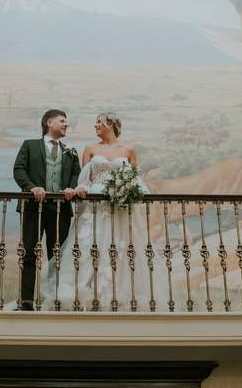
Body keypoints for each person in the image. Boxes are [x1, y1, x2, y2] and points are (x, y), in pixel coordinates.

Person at [41, 112, 152, 311]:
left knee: (118, 247)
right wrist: (80, 188)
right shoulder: (90, 149)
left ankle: (114, 295)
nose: (95, 126)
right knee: (87, 246)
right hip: (95, 207)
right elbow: (85, 179)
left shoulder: (129, 150)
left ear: (110, 124)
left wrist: (126, 189)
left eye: (99, 122)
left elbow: (134, 180)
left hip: (118, 209)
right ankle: (82, 294)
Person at [12, 108, 82, 310]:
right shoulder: (30, 145)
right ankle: (26, 302)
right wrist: (32, 187)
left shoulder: (71, 151)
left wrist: (72, 188)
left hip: (61, 209)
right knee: (29, 253)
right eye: (62, 121)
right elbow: (19, 169)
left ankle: (54, 300)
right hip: (33, 207)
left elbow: (76, 174)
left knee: (57, 255)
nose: (66, 124)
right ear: (48, 123)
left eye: (66, 121)